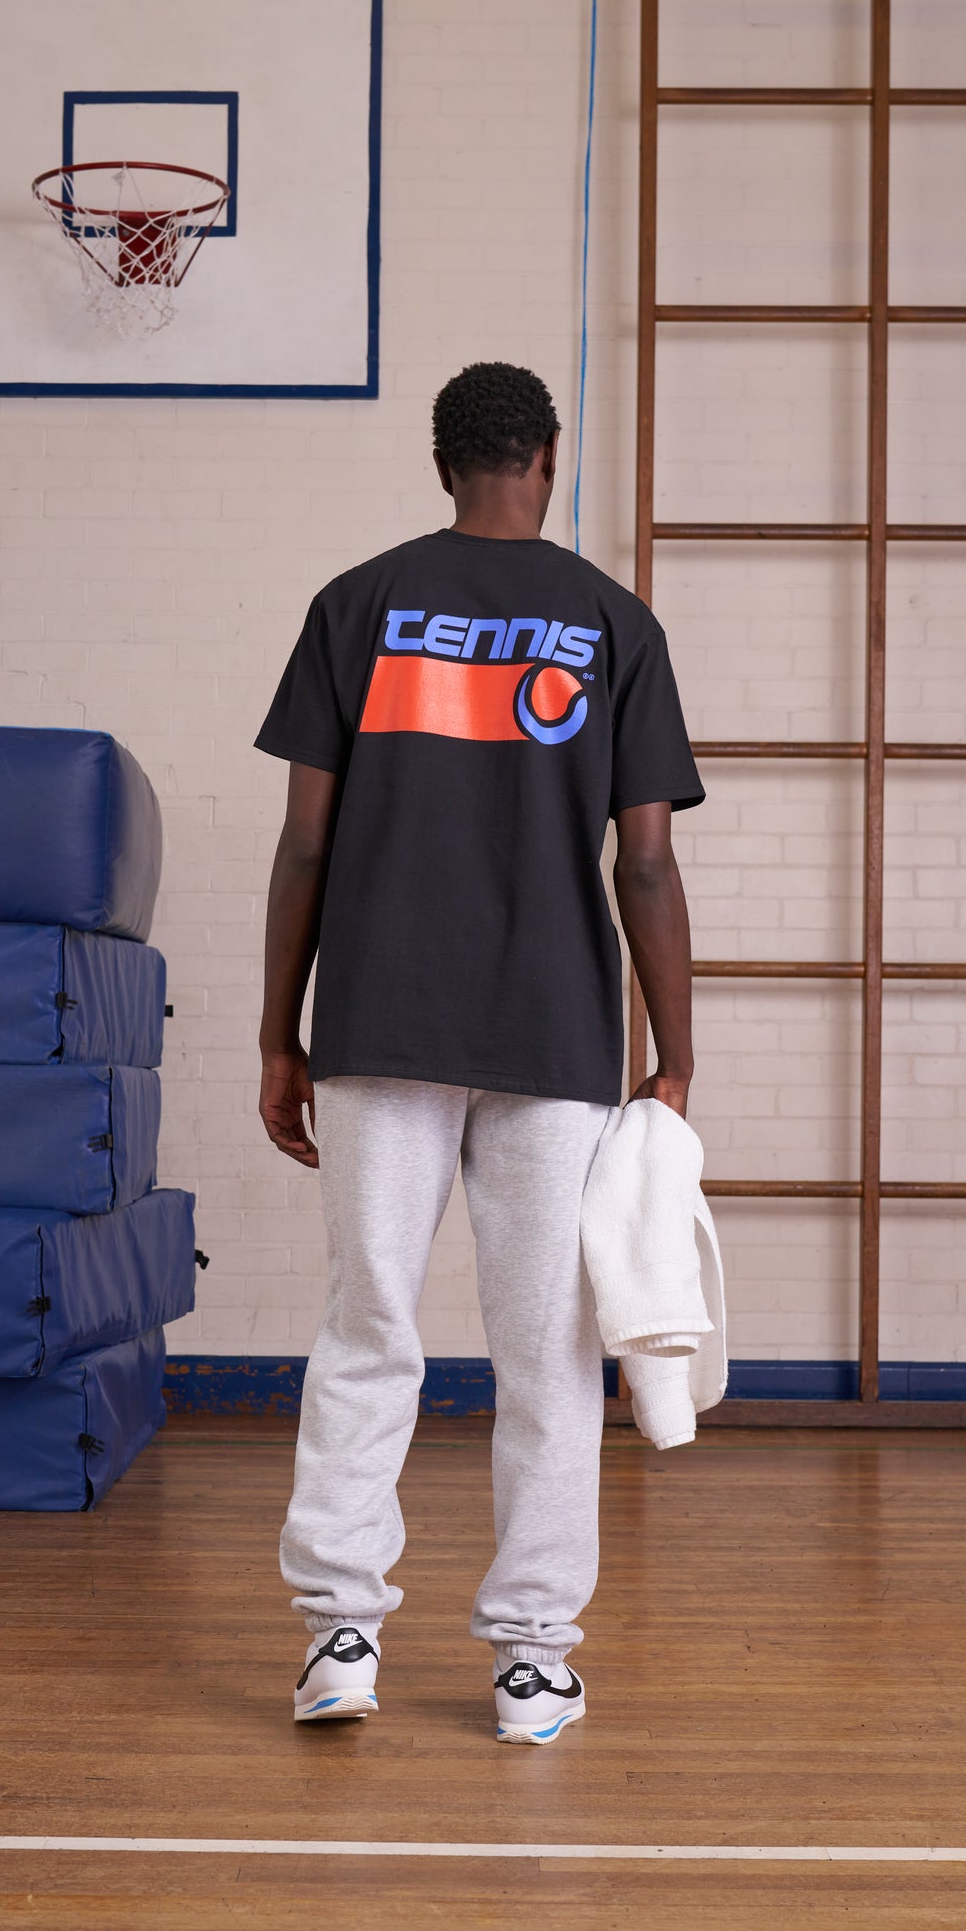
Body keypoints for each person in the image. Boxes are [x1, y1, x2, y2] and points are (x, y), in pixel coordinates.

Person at [255, 361, 704, 1745]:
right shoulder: (614, 622)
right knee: (548, 1357)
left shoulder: (358, 604)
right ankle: (530, 1662)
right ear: (547, 459)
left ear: (443, 464)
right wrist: (674, 1058)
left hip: (377, 1018)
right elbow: (645, 865)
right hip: (553, 1030)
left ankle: (339, 1640)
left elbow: (307, 842)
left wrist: (278, 1033)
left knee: (367, 1327)